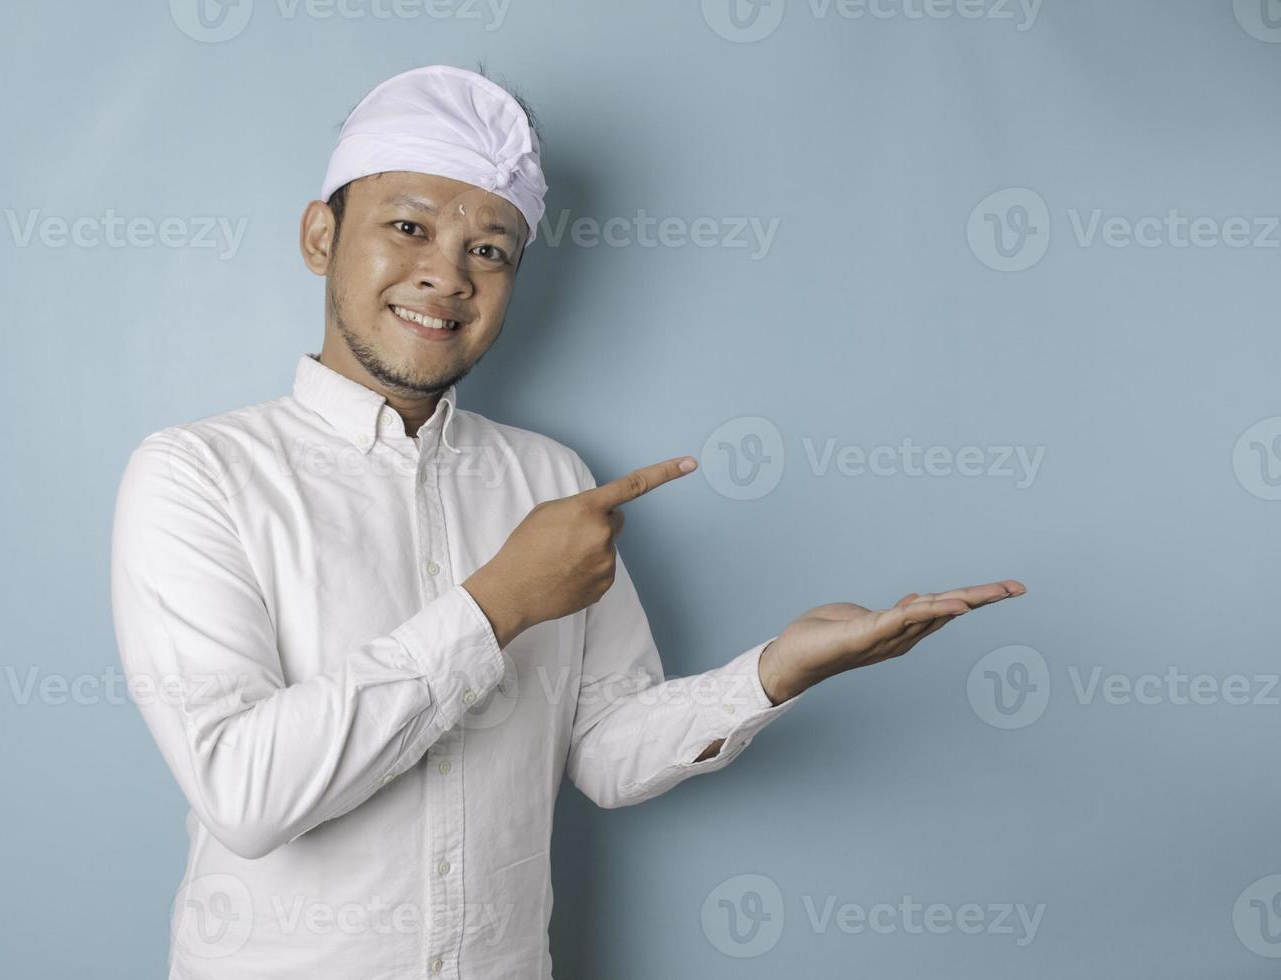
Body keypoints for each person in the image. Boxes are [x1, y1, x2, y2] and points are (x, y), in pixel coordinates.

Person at [109, 62, 1025, 979]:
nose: (445, 275)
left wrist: (772, 675)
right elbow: (246, 793)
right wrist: (498, 601)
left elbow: (604, 754)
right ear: (321, 235)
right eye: (407, 226)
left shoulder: (548, 479)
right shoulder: (197, 476)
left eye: (490, 250)